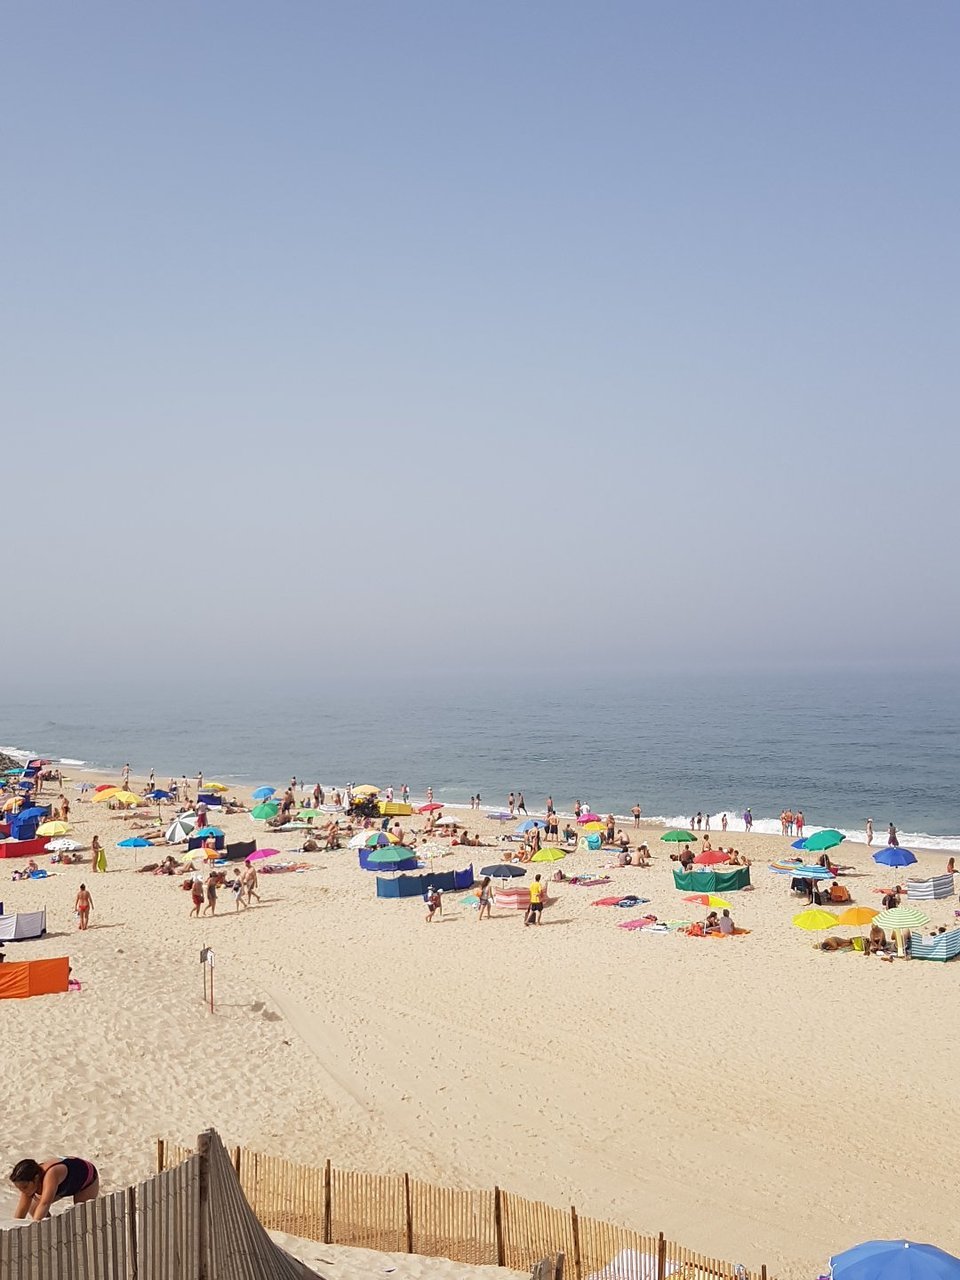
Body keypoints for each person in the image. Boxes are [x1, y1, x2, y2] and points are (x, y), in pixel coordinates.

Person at [10, 1157, 100, 1221]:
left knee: (80, 1216)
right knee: (34, 1207)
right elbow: (21, 1211)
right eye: (20, 1189)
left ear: (36, 1178)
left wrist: (35, 1227)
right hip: (65, 1184)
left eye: (25, 1187)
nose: (23, 1192)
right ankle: (51, 1233)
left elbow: (45, 1204)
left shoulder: (51, 1174)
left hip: (86, 1180)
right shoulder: (27, 1181)